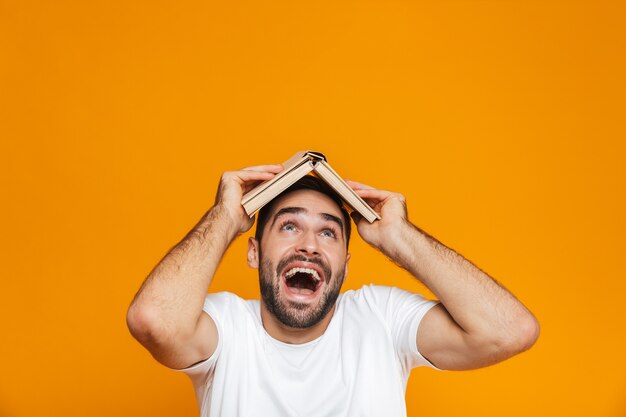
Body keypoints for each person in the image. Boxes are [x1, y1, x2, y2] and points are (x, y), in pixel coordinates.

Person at [127, 163, 539, 417]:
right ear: (253, 252)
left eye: (328, 231)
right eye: (289, 226)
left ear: (345, 262)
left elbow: (509, 331)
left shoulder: (381, 317)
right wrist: (225, 216)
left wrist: (400, 237)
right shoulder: (227, 326)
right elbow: (153, 321)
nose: (309, 244)